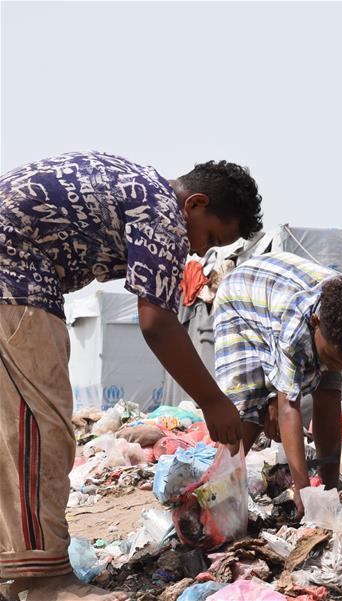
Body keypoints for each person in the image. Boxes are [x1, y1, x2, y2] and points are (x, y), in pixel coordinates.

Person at [0, 152, 262, 601]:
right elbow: (156, 323)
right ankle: (44, 581)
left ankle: (19, 569)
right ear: (195, 205)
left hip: (16, 277)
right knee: (40, 434)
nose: (200, 251)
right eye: (210, 236)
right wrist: (213, 401)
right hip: (15, 285)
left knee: (15, 435)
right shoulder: (163, 211)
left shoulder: (139, 189)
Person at [213, 252, 342, 516]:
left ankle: (331, 486)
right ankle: (216, 494)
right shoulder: (297, 328)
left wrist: (328, 496)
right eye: (332, 357)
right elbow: (288, 407)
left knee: (330, 391)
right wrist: (303, 489)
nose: (337, 366)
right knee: (246, 408)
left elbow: (325, 386)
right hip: (241, 302)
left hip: (279, 300)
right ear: (316, 323)